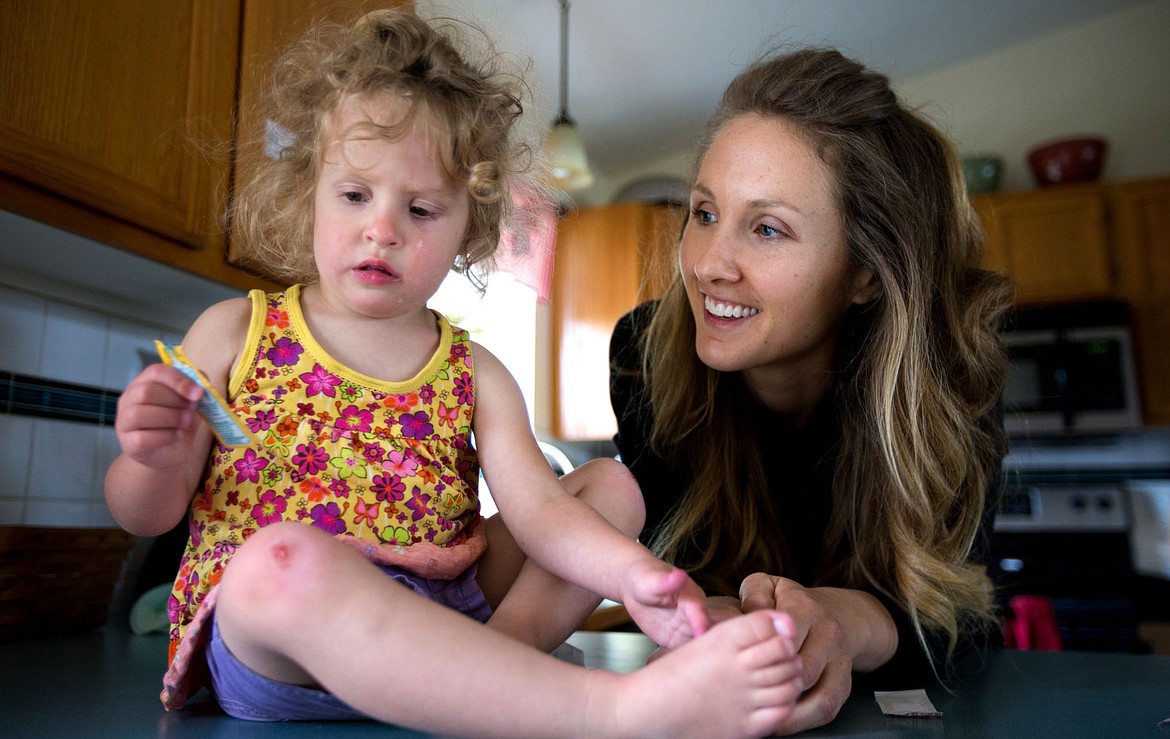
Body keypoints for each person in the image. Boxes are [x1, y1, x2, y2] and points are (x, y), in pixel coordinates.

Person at [104, 11, 803, 737]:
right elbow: (144, 514)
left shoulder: (476, 371)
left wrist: (633, 574)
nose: (383, 229)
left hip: (446, 610)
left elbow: (541, 514)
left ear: (469, 224)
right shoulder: (234, 332)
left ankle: (487, 671)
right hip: (282, 644)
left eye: (421, 208)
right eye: (354, 195)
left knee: (611, 490)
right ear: (308, 187)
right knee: (276, 563)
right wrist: (150, 455)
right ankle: (602, 710)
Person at [608, 47, 1015, 735]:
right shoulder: (644, 357)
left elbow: (957, 617)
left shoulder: (949, 380)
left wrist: (837, 620)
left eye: (766, 228)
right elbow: (680, 575)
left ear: (865, 273)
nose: (708, 264)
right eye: (704, 212)